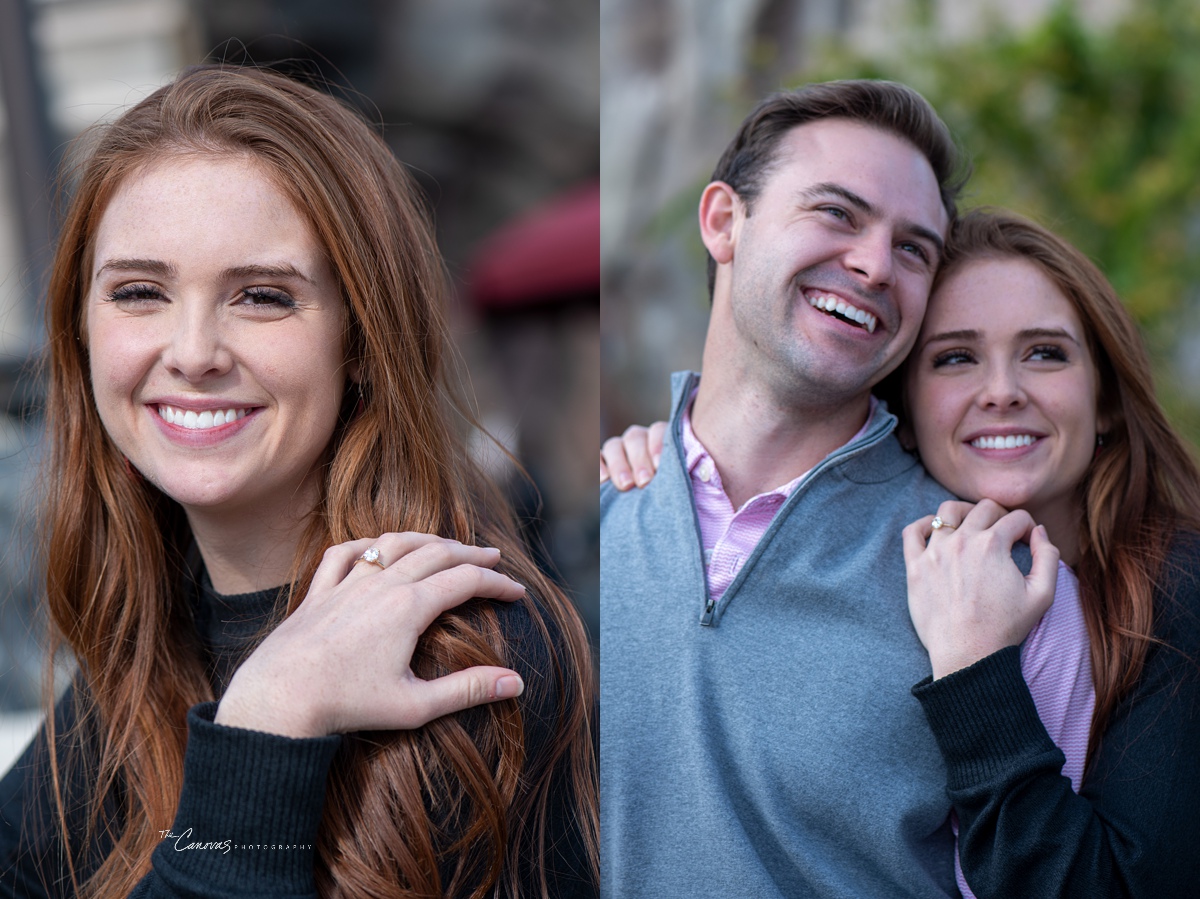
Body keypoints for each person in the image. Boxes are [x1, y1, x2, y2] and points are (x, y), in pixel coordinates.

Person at [0, 65, 597, 899]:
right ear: (81, 327)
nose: (194, 350)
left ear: (358, 336)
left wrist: (263, 735)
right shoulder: (123, 683)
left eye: (262, 297)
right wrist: (271, 711)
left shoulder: (476, 666)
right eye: (140, 292)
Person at [603, 208, 1200, 896]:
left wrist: (977, 671)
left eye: (1044, 352)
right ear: (905, 411)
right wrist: (674, 471)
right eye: (955, 357)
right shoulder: (889, 564)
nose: (1002, 390)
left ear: (1105, 403)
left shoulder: (1174, 590)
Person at [600, 79, 998, 897]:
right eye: (837, 214)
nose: (874, 264)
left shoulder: (976, 570)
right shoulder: (588, 513)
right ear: (723, 222)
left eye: (914, 249)